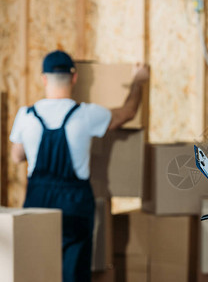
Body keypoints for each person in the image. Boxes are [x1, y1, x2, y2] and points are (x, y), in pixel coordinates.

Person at [9, 50, 149, 282]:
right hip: (75, 203)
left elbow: (16, 156)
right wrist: (138, 81)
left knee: (36, 269)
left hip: (38, 202)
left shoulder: (26, 116)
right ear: (74, 78)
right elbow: (127, 113)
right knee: (73, 273)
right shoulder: (86, 114)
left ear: (44, 79)